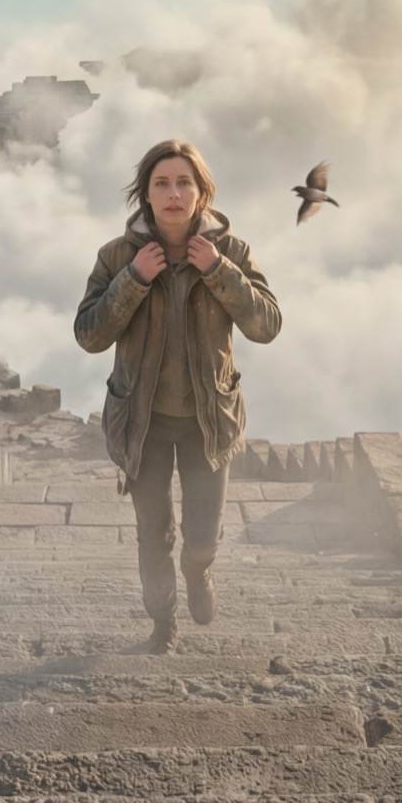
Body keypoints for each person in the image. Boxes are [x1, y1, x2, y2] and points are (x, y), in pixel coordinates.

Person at [74, 138, 282, 653]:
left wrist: (218, 271)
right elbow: (89, 335)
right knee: (154, 533)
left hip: (207, 419)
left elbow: (266, 326)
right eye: (161, 182)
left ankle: (198, 572)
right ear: (145, 194)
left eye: (184, 182)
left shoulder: (230, 252)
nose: (173, 193)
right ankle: (163, 623)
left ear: (202, 192)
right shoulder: (117, 256)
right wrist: (133, 280)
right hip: (141, 421)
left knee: (203, 534)